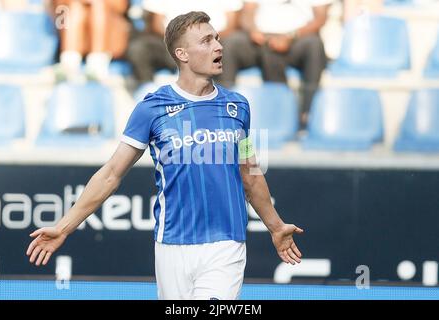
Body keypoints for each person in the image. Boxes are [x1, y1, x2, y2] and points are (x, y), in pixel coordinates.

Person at [26, 11, 304, 300]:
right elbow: (111, 174)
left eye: (217, 38)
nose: (219, 46)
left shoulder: (238, 106)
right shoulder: (152, 108)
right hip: (171, 244)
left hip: (226, 244)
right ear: (182, 54)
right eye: (207, 41)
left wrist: (276, 227)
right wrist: (63, 227)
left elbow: (251, 173)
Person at [218, 0, 333, 130]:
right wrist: (254, 31)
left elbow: (320, 19)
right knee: (229, 43)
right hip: (260, 40)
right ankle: (222, 111)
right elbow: (247, 14)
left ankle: (306, 115)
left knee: (315, 45)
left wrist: (291, 36)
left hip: (298, 38)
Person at [126, 0, 243, 85]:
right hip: (171, 40)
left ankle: (224, 104)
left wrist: (204, 40)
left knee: (226, 48)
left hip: (214, 41)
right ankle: (150, 102)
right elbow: (157, 23)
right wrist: (181, 40)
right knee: (139, 49)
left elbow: (231, 24)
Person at [49, 0, 130, 81]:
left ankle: (97, 62)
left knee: (99, 7)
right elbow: (59, 4)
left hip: (110, 33)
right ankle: (69, 62)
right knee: (75, 8)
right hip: (77, 23)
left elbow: (121, 6)